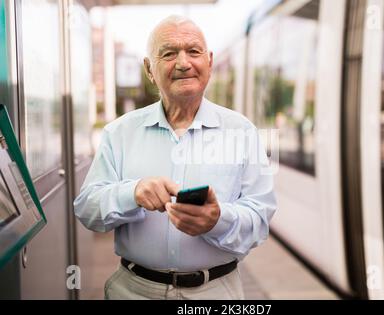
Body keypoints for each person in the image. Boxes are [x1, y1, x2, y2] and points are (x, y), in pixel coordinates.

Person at [74, 15, 277, 300]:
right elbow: (86, 209)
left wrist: (216, 220)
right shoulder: (119, 132)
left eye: (193, 51)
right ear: (149, 69)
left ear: (209, 61)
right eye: (169, 53)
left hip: (215, 294)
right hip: (132, 291)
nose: (183, 63)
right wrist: (131, 193)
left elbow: (260, 218)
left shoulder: (242, 131)